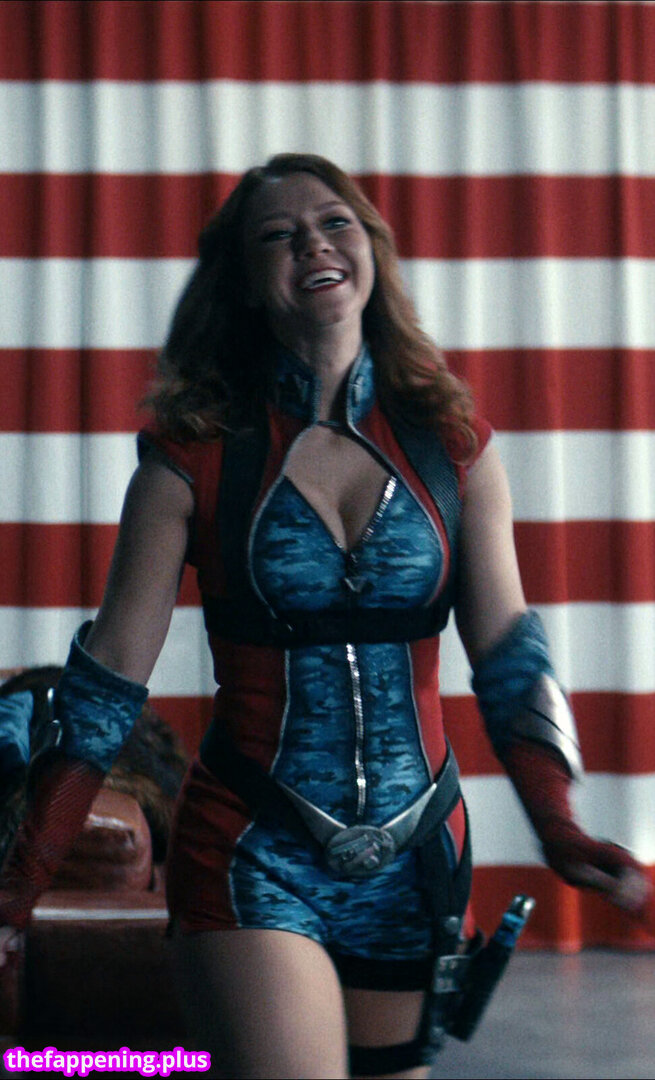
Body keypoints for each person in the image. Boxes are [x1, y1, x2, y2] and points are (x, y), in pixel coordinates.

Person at [0, 153, 651, 1080]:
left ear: (371, 249)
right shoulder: (189, 458)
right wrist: (20, 884)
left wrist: (558, 825)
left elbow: (511, 659)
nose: (313, 243)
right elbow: (105, 688)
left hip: (417, 855)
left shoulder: (454, 447)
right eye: (279, 234)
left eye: (334, 222)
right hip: (251, 847)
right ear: (245, 279)